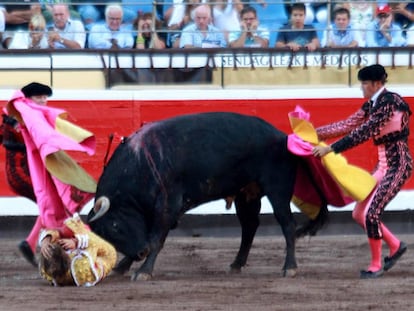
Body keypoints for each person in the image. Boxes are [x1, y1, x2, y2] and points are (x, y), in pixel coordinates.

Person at [312, 64, 412, 279]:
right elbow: (349, 124)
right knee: (359, 214)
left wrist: (330, 148)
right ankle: (395, 245)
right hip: (384, 167)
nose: (361, 87)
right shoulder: (374, 103)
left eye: (364, 83)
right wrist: (314, 133)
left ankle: (376, 264)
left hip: (398, 166)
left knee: (371, 214)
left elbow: (363, 132)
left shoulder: (389, 103)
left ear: (376, 84)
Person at [3, 82, 97, 267]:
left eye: (46, 97)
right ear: (28, 99)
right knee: (54, 203)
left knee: (53, 203)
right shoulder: (21, 118)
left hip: (24, 171)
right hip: (23, 172)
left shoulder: (26, 116)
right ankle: (46, 245)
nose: (44, 101)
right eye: (39, 97)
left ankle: (31, 244)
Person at [39, 213, 117, 286]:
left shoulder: (46, 272)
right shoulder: (82, 267)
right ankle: (78, 228)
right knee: (72, 229)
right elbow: (94, 244)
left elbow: (55, 233)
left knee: (65, 231)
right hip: (103, 256)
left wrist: (45, 240)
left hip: (71, 262)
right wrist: (76, 242)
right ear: (67, 255)